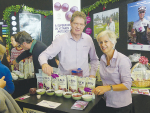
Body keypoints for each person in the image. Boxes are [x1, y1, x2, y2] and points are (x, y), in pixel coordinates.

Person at [38, 11, 99, 77]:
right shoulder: (61, 39)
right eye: (76, 23)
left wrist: (92, 75)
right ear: (71, 23)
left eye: (81, 24)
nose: (78, 27)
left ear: (84, 25)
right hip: (65, 82)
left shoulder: (88, 39)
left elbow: (94, 60)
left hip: (83, 81)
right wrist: (44, 64)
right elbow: (43, 55)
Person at [92, 30, 132, 113]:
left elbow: (127, 84)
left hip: (121, 106)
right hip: (107, 102)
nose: (103, 45)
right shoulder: (102, 59)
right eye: (100, 42)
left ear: (113, 43)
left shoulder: (122, 59)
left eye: (106, 41)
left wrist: (107, 88)